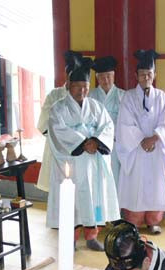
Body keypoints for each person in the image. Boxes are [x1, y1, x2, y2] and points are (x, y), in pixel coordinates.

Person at [46, 55, 120, 251]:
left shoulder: (95, 106)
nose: (82, 91)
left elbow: (107, 126)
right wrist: (82, 143)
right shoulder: (58, 109)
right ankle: (70, 239)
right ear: (69, 85)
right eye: (77, 86)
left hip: (93, 162)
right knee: (72, 202)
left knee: (93, 200)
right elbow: (57, 131)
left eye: (85, 87)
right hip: (72, 163)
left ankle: (91, 237)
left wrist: (96, 142)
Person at [115, 49, 165, 235]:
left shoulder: (161, 97)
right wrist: (141, 140)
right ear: (136, 76)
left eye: (149, 74)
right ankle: (133, 221)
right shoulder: (128, 97)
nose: (146, 77)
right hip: (136, 150)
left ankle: (153, 221)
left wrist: (154, 138)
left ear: (155, 74)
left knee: (155, 185)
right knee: (135, 185)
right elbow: (124, 124)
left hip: (155, 148)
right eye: (142, 74)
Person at [35, 51, 81, 193]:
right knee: (56, 192)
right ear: (65, 75)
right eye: (69, 75)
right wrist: (62, 134)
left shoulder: (84, 95)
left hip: (78, 148)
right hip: (56, 148)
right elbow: (44, 123)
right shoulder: (54, 95)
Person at [90, 56, 125, 187]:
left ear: (114, 76)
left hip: (116, 145)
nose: (106, 80)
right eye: (102, 77)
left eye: (108, 76)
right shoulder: (90, 96)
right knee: (97, 181)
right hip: (96, 145)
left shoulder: (123, 96)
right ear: (97, 78)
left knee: (115, 180)